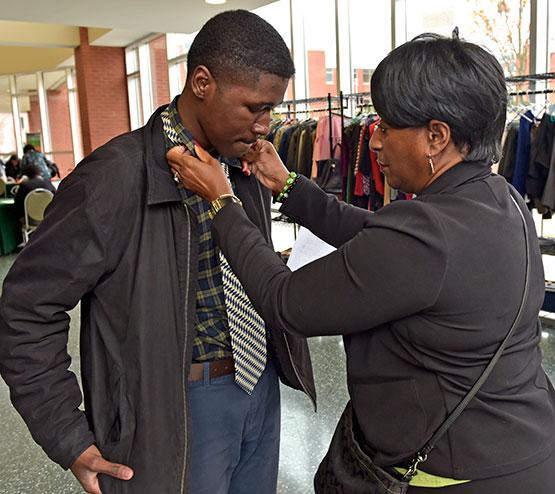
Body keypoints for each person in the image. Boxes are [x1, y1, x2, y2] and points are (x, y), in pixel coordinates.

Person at [168, 33, 555, 493]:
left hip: (459, 471)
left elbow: (285, 301)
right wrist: (289, 186)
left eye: (387, 129)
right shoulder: (497, 199)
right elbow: (377, 238)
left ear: (437, 136)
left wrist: (222, 203)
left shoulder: (428, 234)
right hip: (522, 446)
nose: (374, 143)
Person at [0, 10, 315, 494]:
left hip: (259, 385)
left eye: (272, 109)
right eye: (254, 107)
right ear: (203, 82)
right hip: (175, 406)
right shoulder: (113, 178)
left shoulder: (245, 165)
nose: (264, 125)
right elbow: (25, 308)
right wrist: (66, 433)